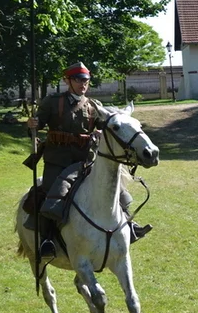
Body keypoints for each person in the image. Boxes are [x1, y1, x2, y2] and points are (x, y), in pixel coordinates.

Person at [25, 62, 151, 259]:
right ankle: (48, 239)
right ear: (68, 81)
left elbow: (108, 126)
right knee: (50, 193)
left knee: (116, 190)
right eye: (78, 80)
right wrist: (33, 124)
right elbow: (38, 122)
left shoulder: (94, 106)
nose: (83, 84)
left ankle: (129, 226)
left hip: (86, 160)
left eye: (86, 80)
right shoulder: (52, 101)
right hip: (58, 160)